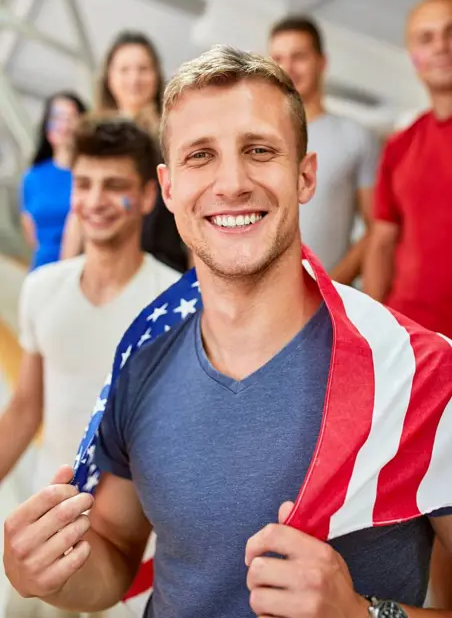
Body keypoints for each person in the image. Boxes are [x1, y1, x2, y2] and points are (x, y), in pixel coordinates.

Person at [4, 46, 452, 618]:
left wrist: (364, 615)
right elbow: (114, 552)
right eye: (200, 156)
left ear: (305, 174)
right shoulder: (142, 359)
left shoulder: (418, 374)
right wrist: (51, 573)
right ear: (167, 190)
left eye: (259, 150)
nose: (232, 182)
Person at [1, 115, 180, 618]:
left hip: (130, 551)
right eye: (84, 184)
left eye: (114, 185)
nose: (96, 200)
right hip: (45, 531)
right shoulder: (43, 289)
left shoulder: (173, 303)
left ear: (147, 196)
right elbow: (24, 410)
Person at [61, 30, 188, 273]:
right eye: (124, 70)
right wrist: (65, 270)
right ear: (108, 77)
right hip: (104, 265)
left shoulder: (176, 131)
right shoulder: (91, 135)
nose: (134, 79)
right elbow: (77, 211)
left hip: (164, 264)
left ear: (156, 74)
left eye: (143, 69)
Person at [364, 0, 452, 338]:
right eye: (426, 38)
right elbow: (382, 240)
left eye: (450, 32)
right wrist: (367, 326)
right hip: (412, 338)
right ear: (413, 57)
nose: (441, 46)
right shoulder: (400, 146)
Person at [269, 16, 380, 284]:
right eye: (279, 58)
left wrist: (330, 285)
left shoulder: (357, 137)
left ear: (322, 62)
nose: (288, 67)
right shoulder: (254, 138)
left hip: (330, 301)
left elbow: (376, 228)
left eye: (299, 57)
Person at [20, 91, 87, 270]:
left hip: (82, 273)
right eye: (57, 118)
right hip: (40, 272)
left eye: (71, 118)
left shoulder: (90, 175)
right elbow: (32, 235)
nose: (64, 126)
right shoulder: (32, 177)